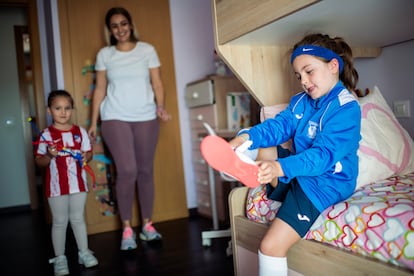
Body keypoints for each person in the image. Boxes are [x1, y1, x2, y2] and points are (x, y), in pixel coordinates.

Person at [225, 33, 360, 275]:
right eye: (299, 76)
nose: (304, 81)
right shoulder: (301, 101)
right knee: (263, 147)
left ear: (333, 66)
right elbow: (278, 127)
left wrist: (279, 167)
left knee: (270, 246)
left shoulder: (346, 108)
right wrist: (246, 137)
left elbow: (322, 156)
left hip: (324, 182)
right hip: (301, 170)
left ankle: (269, 175)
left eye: (309, 72)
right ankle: (239, 157)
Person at [88, 7, 171, 251]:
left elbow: (157, 83)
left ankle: (147, 225)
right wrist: (93, 122)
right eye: (115, 26)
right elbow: (100, 88)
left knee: (145, 170)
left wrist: (161, 107)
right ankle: (127, 229)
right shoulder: (105, 54)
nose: (120, 29)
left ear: (130, 24)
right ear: (110, 30)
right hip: (114, 117)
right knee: (127, 170)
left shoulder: (147, 50)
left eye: (123, 23)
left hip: (146, 116)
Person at [35, 90, 98, 276]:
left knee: (78, 219)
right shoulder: (45, 135)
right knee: (60, 222)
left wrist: (88, 156)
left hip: (78, 184)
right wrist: (49, 155)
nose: (63, 112)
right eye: (58, 108)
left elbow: (89, 154)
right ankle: (60, 257)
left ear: (72, 110)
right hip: (55, 187)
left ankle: (84, 253)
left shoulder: (81, 132)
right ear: (49, 111)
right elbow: (39, 161)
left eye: (67, 108)